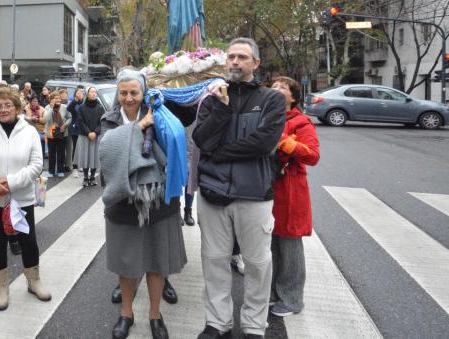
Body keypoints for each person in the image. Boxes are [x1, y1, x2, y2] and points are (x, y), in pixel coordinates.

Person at [192, 38, 286, 339]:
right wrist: (221, 109)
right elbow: (202, 141)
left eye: (242, 57)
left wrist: (218, 154)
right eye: (231, 57)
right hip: (213, 194)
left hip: (254, 194)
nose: (235, 62)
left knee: (258, 264)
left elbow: (264, 143)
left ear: (255, 64)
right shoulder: (211, 100)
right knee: (214, 261)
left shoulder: (270, 99)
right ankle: (218, 323)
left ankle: (254, 327)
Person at [100, 69, 186, 339]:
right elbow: (106, 150)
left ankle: (155, 314)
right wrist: (136, 129)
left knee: (157, 262)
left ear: (143, 92)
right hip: (122, 202)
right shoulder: (108, 118)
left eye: (134, 92)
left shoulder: (159, 114)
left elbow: (176, 139)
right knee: (126, 264)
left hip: (159, 202)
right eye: (123, 92)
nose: (128, 98)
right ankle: (126, 313)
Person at [0, 87, 49, 311]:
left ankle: (33, 281)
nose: (3, 110)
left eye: (8, 105)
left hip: (21, 196)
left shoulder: (30, 131)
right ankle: (2, 287)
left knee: (28, 239)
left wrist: (11, 182)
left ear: (17, 107)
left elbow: (36, 164)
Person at [269, 76, 320, 318]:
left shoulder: (301, 122)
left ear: (293, 98)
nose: (277, 89)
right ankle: (271, 293)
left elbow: (312, 155)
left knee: (289, 246)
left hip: (289, 190)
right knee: (269, 246)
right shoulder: (265, 116)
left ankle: (291, 299)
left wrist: (284, 142)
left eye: (283, 88)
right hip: (266, 189)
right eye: (274, 86)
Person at [75, 87, 104, 187]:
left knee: (94, 156)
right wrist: (88, 133)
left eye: (95, 92)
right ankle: (85, 177)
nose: (94, 94)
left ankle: (92, 177)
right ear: (87, 94)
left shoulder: (100, 108)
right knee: (85, 156)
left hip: (96, 136)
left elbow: (102, 122)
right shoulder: (81, 107)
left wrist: (95, 132)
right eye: (91, 92)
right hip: (84, 135)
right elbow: (80, 121)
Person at [43, 91, 71, 178]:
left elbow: (70, 117)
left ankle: (60, 170)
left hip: (62, 132)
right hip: (51, 133)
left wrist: (65, 125)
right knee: (51, 153)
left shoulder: (65, 107)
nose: (58, 99)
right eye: (56, 98)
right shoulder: (47, 107)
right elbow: (46, 119)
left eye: (59, 98)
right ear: (51, 100)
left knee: (61, 152)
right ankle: (51, 170)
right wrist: (52, 107)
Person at [66, 87, 84, 173]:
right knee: (76, 147)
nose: (80, 93)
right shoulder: (73, 103)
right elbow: (68, 108)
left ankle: (82, 165)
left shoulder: (84, 102)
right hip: (75, 128)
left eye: (81, 92)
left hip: (84, 128)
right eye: (78, 92)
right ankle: (75, 166)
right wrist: (75, 100)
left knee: (83, 148)